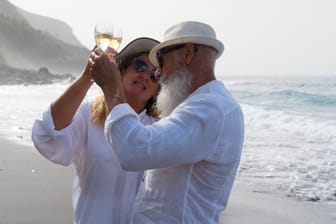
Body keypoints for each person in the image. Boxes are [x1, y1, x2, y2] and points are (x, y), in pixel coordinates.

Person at [90, 21, 244, 224]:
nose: (158, 74)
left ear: (188, 53)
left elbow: (133, 150)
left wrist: (111, 87)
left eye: (161, 63)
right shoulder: (202, 104)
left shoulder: (210, 109)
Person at [31, 37, 161, 224]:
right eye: (139, 66)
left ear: (158, 89)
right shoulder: (89, 114)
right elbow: (48, 136)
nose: (145, 75)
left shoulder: (160, 128)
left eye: (155, 74)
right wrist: (87, 77)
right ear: (121, 70)